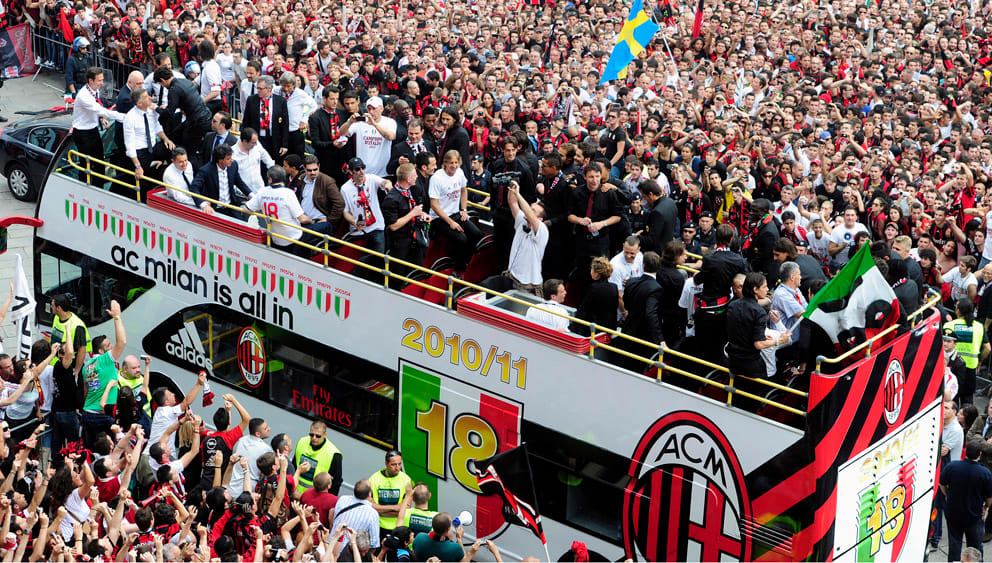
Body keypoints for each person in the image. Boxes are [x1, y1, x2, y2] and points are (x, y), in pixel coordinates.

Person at [726, 272, 791, 408]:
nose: (767, 290)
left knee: (736, 398)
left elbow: (739, 329)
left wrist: (759, 335)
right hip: (751, 367)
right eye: (765, 287)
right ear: (755, 289)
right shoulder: (758, 311)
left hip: (733, 363)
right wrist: (780, 340)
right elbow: (759, 344)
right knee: (754, 403)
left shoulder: (733, 305)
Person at [243, 166, 334, 255]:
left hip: (275, 237)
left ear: (270, 179)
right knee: (327, 225)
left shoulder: (262, 192)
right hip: (293, 238)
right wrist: (313, 221)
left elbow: (246, 209)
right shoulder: (287, 193)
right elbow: (303, 219)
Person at [693, 224, 749, 364]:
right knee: (720, 346)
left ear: (716, 238)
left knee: (703, 347)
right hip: (727, 308)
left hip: (708, 309)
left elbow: (697, 280)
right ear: (731, 239)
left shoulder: (710, 259)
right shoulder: (739, 260)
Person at [80, 300, 126, 448]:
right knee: (109, 451)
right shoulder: (105, 360)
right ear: (101, 351)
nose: (112, 347)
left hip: (88, 413)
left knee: (91, 452)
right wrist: (117, 317)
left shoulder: (87, 365)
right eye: (108, 346)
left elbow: (86, 391)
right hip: (102, 415)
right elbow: (122, 342)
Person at [939, 440, 992, 561]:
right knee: (975, 548)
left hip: (953, 513)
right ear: (980, 454)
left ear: (966, 451)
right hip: (974, 516)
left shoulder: (952, 467)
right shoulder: (985, 473)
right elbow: (989, 497)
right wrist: (986, 507)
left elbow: (942, 483)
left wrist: (947, 494)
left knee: (954, 545)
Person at [70, 67, 125, 183]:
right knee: (87, 165)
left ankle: (98, 186)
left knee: (99, 162)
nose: (102, 83)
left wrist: (102, 118)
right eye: (99, 80)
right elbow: (99, 109)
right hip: (83, 134)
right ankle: (84, 186)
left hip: (92, 130)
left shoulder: (94, 90)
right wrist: (122, 117)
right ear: (91, 81)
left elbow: (98, 109)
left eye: (102, 79)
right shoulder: (84, 96)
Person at [429, 150, 482, 271]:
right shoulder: (437, 178)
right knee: (461, 238)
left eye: (456, 163)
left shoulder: (459, 172)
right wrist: (450, 222)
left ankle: (466, 260)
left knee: (476, 233)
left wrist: (464, 209)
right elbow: (434, 205)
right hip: (439, 218)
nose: (454, 166)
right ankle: (458, 268)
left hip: (455, 213)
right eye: (451, 163)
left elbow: (464, 190)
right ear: (445, 163)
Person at [153, 66, 212, 166]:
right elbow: (186, 100)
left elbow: (169, 113)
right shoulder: (185, 81)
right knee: (175, 135)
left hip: (197, 122)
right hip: (202, 117)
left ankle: (190, 170)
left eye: (160, 84)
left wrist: (156, 108)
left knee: (189, 150)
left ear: (162, 80)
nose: (162, 86)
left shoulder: (173, 89)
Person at [382, 163, 429, 287]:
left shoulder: (412, 190)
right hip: (399, 243)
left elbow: (412, 209)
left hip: (414, 239)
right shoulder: (391, 199)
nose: (417, 177)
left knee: (417, 272)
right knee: (398, 276)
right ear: (408, 179)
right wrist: (413, 213)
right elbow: (393, 226)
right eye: (414, 175)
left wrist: (421, 214)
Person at [122, 88, 175, 193]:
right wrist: (138, 166)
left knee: (173, 150)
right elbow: (129, 145)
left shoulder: (151, 110)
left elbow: (157, 127)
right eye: (146, 97)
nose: (150, 98)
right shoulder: (130, 118)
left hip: (153, 147)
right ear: (139, 103)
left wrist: (166, 139)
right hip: (140, 152)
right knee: (142, 181)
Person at [619, 251, 664, 369]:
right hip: (643, 336)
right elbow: (651, 313)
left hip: (628, 329)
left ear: (643, 266)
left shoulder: (631, 282)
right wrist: (660, 340)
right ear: (658, 268)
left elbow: (626, 303)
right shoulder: (656, 288)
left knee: (623, 364)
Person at [199, 393, 250, 490]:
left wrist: (228, 411)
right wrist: (233, 400)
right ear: (228, 423)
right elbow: (246, 419)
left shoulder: (206, 439)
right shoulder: (229, 438)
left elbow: (203, 464)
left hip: (204, 484)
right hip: (219, 488)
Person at [945, 298, 990, 406]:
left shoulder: (949, 325)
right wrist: (979, 361)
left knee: (952, 399)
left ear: (958, 310)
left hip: (952, 367)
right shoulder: (979, 327)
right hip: (971, 368)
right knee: (968, 400)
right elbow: (988, 348)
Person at [341, 157, 391, 253]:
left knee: (378, 256)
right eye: (357, 169)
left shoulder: (371, 178)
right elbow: (345, 212)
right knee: (362, 259)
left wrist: (387, 185)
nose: (361, 171)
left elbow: (384, 182)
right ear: (350, 172)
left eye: (363, 168)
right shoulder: (345, 189)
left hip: (376, 226)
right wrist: (355, 223)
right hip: (359, 230)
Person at [189, 143, 252, 217]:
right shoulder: (206, 170)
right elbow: (194, 188)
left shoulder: (233, 165)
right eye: (228, 159)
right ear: (220, 160)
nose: (231, 160)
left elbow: (239, 182)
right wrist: (204, 205)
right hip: (214, 209)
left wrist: (252, 196)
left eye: (231, 157)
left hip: (231, 207)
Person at [241, 74, 290, 159]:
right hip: (257, 141)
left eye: (260, 89)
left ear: (269, 88)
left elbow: (285, 124)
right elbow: (246, 122)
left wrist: (284, 145)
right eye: (257, 88)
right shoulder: (251, 100)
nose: (258, 91)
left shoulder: (280, 101)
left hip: (274, 141)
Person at [369, 451, 413, 537]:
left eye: (399, 464)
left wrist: (381, 511)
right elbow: (370, 505)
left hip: (397, 527)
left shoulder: (406, 480)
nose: (397, 468)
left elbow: (406, 508)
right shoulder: (374, 479)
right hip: (377, 525)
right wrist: (395, 508)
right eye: (393, 465)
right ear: (386, 463)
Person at [570, 256, 619, 336]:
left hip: (592, 330)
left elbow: (583, 309)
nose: (590, 271)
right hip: (607, 330)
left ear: (597, 273)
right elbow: (613, 311)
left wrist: (573, 328)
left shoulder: (593, 288)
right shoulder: (614, 287)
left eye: (592, 269)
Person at [294, 420, 343, 496]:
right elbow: (293, 465)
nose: (314, 438)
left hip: (315, 498)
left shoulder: (334, 454)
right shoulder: (302, 442)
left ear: (325, 434)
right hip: (294, 492)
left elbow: (336, 483)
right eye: (311, 435)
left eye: (318, 436)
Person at [300, 154, 346, 234]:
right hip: (302, 220)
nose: (312, 172)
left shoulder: (327, 181)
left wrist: (329, 219)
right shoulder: (301, 179)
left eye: (315, 169)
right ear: (304, 168)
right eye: (309, 170)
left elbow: (339, 203)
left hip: (319, 223)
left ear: (319, 166)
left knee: (301, 235)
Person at [277, 71, 318, 159]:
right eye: (284, 86)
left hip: (295, 131)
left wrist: (304, 120)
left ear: (294, 85)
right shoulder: (276, 91)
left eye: (289, 86)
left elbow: (313, 105)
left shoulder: (300, 94)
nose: (286, 89)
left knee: (297, 158)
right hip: (280, 131)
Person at [331, 479, 380, 550]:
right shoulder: (372, 513)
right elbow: (374, 543)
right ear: (369, 494)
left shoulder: (342, 499)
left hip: (331, 547)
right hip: (350, 553)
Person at [231, 127, 277, 194]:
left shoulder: (257, 145)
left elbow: (267, 159)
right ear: (244, 141)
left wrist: (274, 173)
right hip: (243, 193)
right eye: (253, 143)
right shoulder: (232, 153)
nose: (255, 144)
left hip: (259, 190)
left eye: (256, 142)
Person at [637, 179, 678, 253]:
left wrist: (638, 237)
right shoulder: (671, 202)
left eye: (644, 196)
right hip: (668, 247)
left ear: (650, 194)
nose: (644, 199)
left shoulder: (657, 212)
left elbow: (652, 240)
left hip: (658, 252)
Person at [50, 294, 90, 359]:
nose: (51, 307)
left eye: (52, 305)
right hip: (56, 361)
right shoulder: (56, 317)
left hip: (69, 363)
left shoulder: (77, 325)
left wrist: (76, 368)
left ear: (59, 308)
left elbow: (81, 352)